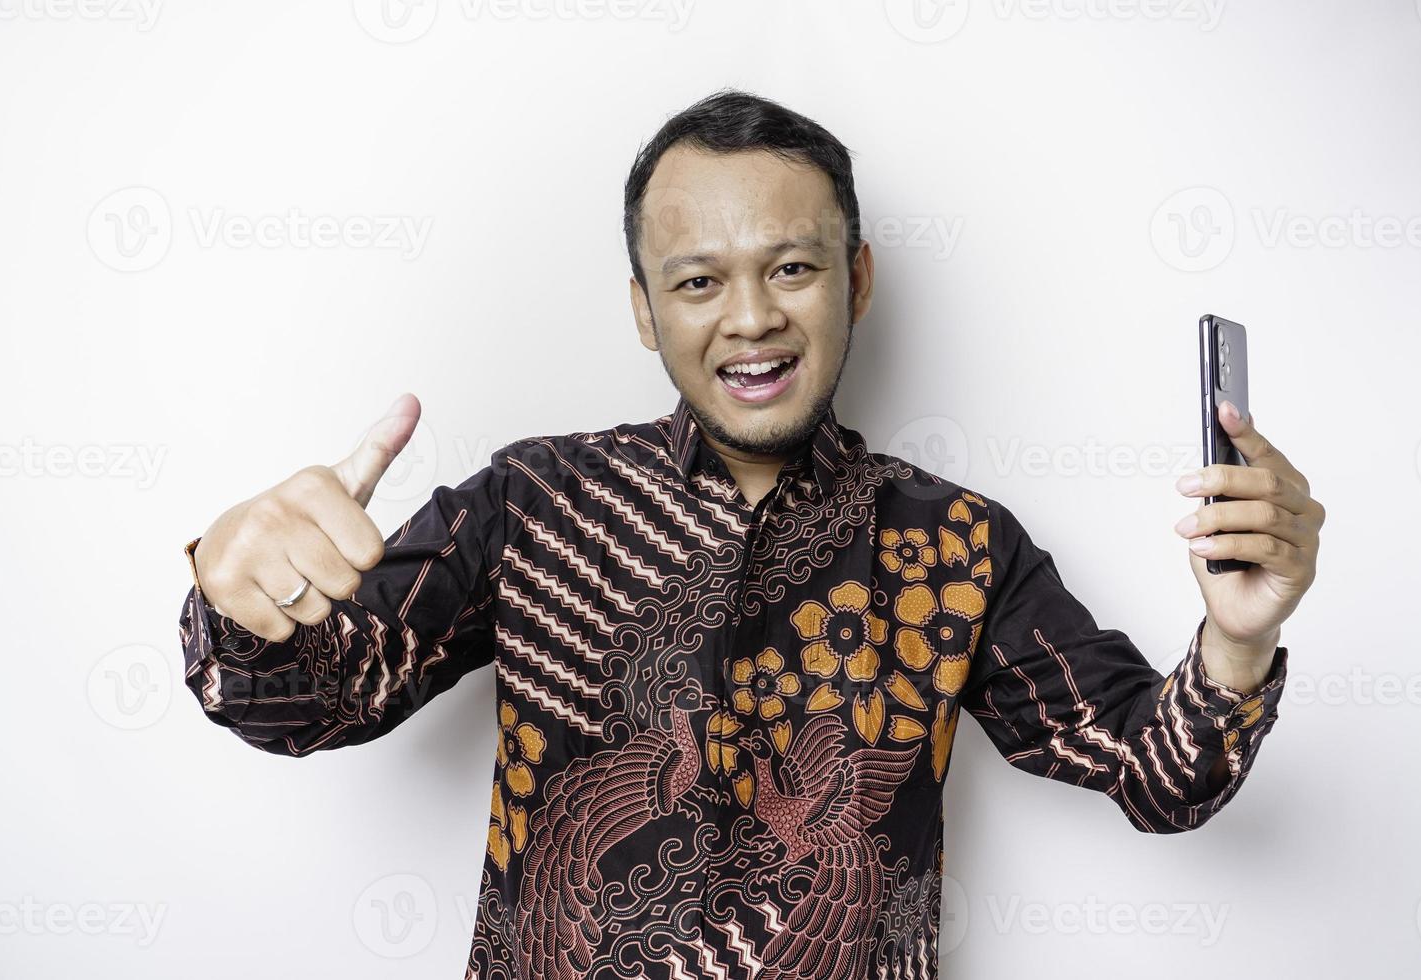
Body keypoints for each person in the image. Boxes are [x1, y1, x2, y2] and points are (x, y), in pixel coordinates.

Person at [177, 89, 1323, 980]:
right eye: (696, 280)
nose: (752, 317)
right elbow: (295, 707)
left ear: (855, 278)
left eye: (791, 267)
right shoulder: (530, 504)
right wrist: (239, 602)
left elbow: (1157, 776)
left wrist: (1237, 644)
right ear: (643, 307)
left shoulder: (960, 549)